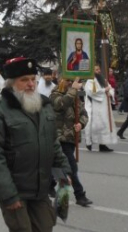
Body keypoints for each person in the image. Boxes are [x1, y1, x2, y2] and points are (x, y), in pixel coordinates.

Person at [0, 57, 71, 232]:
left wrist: (63, 174)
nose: (30, 84)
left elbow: (53, 144)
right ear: (11, 84)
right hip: (16, 190)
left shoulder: (44, 106)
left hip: (41, 189)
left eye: (32, 79)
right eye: (24, 80)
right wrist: (8, 195)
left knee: (46, 227)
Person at [50, 77, 93, 207]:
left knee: (59, 165)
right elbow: (61, 105)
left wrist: (81, 123)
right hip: (59, 137)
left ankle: (49, 185)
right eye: (68, 81)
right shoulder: (55, 94)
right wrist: (74, 89)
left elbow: (84, 113)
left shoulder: (75, 96)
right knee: (70, 167)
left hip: (71, 138)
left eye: (73, 82)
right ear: (61, 81)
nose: (71, 83)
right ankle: (79, 195)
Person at [84, 64, 117, 152]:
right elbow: (92, 92)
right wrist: (104, 90)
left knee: (104, 126)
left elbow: (110, 88)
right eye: (96, 69)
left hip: (105, 107)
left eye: (99, 69)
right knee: (95, 126)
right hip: (95, 107)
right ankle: (89, 142)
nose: (98, 71)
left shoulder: (103, 80)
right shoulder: (90, 81)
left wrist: (110, 92)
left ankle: (103, 144)